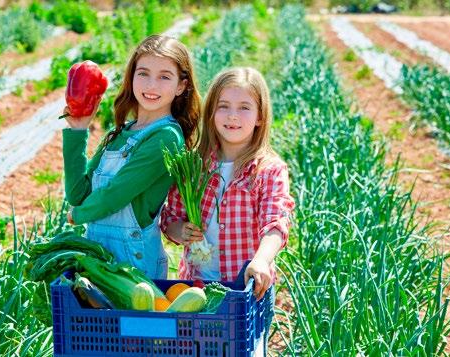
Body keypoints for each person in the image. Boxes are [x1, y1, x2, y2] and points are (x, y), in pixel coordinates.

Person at [61, 35, 201, 279]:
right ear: (132, 76)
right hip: (99, 260)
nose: (151, 85)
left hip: (135, 263)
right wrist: (77, 130)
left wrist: (78, 215)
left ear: (181, 86)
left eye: (164, 77)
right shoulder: (119, 133)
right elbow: (77, 194)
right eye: (143, 73)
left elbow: (116, 194)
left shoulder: (166, 137)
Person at [160, 67, 295, 301]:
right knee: (194, 338)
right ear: (211, 112)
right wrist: (180, 230)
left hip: (245, 289)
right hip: (196, 286)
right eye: (223, 106)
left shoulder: (268, 170)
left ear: (260, 116)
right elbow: (170, 217)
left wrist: (261, 260)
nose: (233, 116)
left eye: (244, 108)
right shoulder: (195, 165)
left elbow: (275, 222)